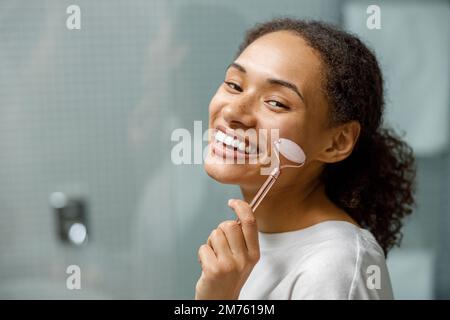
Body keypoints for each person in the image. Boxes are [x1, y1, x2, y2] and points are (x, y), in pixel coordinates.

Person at [196, 17, 416, 300]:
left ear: (337, 142)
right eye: (234, 85)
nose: (233, 113)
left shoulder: (336, 266)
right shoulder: (250, 247)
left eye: (276, 102)